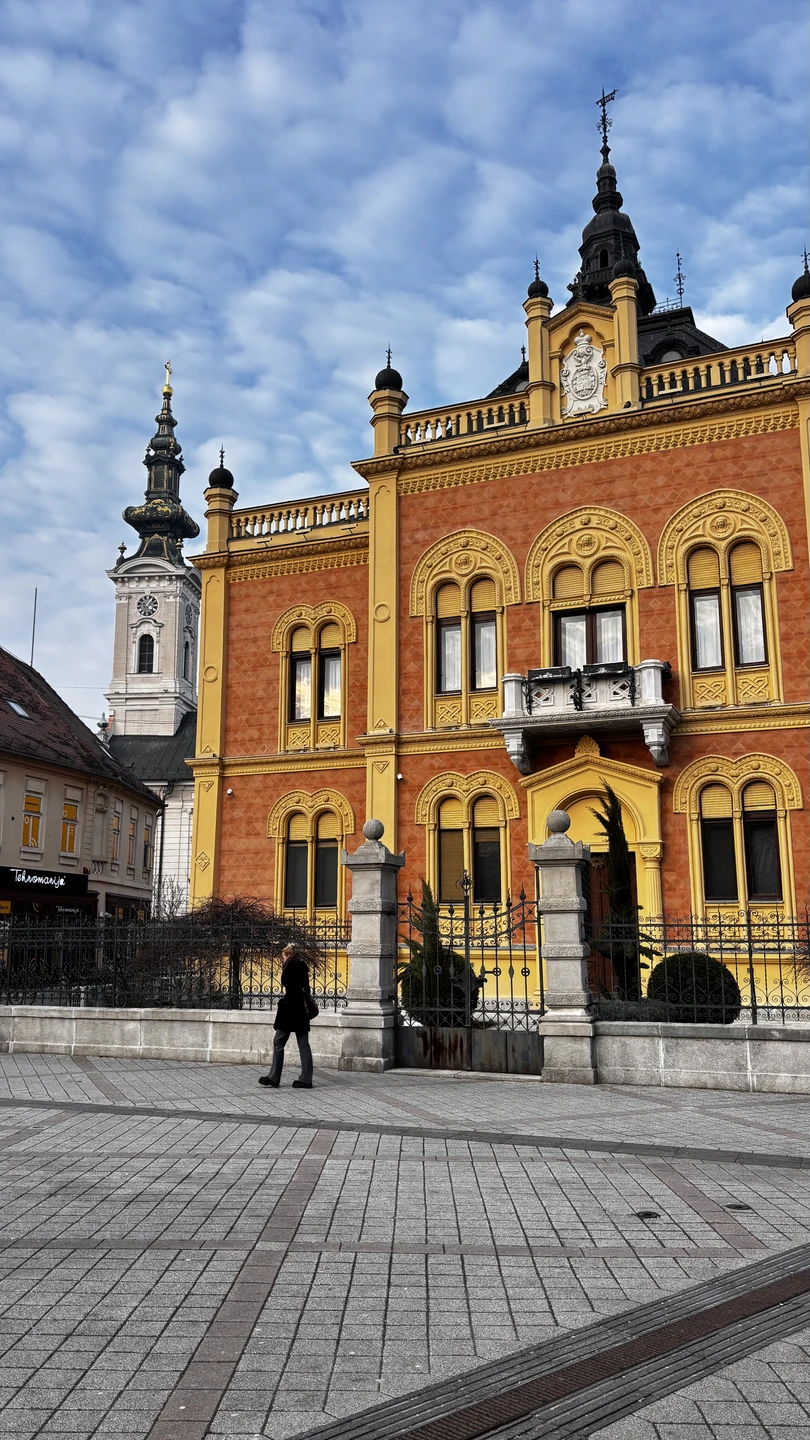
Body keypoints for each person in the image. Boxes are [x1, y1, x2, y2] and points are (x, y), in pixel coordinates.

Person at [259, 943, 315, 1089]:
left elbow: (288, 986)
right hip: (302, 1011)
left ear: (287, 954)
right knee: (303, 1044)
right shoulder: (303, 966)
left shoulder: (290, 967)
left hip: (290, 1010)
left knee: (278, 1042)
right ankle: (306, 1079)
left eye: (283, 957)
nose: (282, 960)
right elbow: (306, 989)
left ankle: (274, 1077)